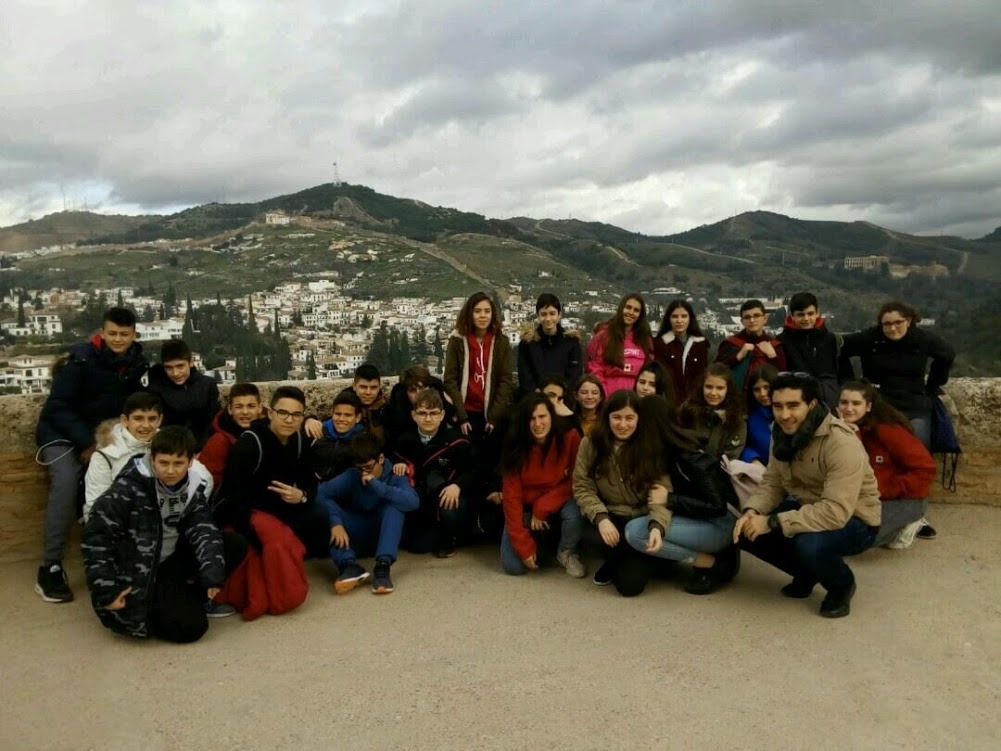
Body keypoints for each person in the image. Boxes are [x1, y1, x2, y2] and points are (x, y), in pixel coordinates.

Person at [733, 373, 881, 618]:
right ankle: (808, 572)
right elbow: (773, 482)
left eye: (793, 406)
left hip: (855, 521)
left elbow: (835, 512)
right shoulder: (780, 431)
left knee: (809, 544)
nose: (784, 414)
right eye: (778, 406)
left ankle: (841, 585)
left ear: (811, 404)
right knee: (745, 532)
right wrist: (753, 511)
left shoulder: (841, 443)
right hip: (807, 508)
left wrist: (772, 521)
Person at [82, 427, 247, 642]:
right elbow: (97, 540)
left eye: (178, 463)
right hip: (139, 571)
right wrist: (106, 591)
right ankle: (167, 603)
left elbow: (204, 529)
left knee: (233, 543)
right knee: (190, 629)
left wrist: (212, 575)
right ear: (152, 459)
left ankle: (190, 597)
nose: (170, 470)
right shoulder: (126, 489)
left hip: (170, 561)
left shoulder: (193, 487)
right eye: (163, 463)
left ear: (190, 462)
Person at [34, 306, 148, 603]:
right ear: (102, 332)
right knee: (67, 481)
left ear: (134, 335)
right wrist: (88, 443)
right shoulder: (79, 360)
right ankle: (50, 567)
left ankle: (113, 557)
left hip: (101, 435)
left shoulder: (137, 362)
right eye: (113, 333)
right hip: (60, 433)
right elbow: (57, 407)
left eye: (124, 334)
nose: (118, 339)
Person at [839, 300, 954, 539]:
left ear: (909, 320)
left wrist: (934, 384)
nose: (892, 328)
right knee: (872, 453)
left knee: (918, 454)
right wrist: (851, 383)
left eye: (898, 322)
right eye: (887, 324)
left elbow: (947, 354)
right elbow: (839, 347)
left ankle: (916, 512)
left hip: (914, 403)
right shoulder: (871, 338)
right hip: (880, 404)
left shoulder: (922, 339)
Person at [623, 397, 740, 594]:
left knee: (634, 532)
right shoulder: (663, 451)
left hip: (720, 525)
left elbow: (717, 506)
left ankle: (712, 563)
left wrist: (669, 499)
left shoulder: (689, 455)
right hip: (694, 518)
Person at [572, 389, 672, 597]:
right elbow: (582, 486)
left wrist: (657, 526)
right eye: (617, 417)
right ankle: (621, 558)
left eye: (629, 418)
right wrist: (601, 518)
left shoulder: (651, 445)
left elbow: (661, 491)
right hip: (611, 515)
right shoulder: (590, 444)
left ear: (638, 419)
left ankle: (639, 560)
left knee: (630, 585)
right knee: (627, 582)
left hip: (643, 516)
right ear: (607, 417)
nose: (623, 424)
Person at [218, 386, 327, 558]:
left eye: (296, 415)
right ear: (270, 413)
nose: (289, 420)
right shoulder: (250, 444)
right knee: (279, 545)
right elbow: (233, 496)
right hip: (254, 513)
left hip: (286, 508)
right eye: (282, 413)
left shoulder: (298, 440)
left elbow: (310, 482)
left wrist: (302, 496)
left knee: (322, 516)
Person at [838, 381, 936, 550]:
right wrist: (849, 437)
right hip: (863, 498)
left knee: (860, 540)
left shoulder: (888, 430)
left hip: (901, 498)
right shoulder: (839, 430)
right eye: (844, 402)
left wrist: (888, 489)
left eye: (856, 403)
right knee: (834, 537)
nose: (849, 408)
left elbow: (925, 468)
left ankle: (910, 523)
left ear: (869, 406)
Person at [318, 433, 420, 594]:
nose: (363, 472)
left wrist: (375, 484)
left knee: (394, 507)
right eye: (359, 468)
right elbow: (321, 493)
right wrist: (335, 523)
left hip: (385, 535)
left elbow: (413, 502)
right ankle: (349, 566)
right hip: (358, 533)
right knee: (329, 513)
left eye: (368, 467)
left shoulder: (396, 475)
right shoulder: (353, 475)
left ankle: (382, 567)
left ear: (380, 459)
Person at [499, 394, 585, 578]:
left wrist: (543, 506)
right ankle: (536, 541)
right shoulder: (514, 444)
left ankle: (566, 552)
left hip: (559, 499)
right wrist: (524, 547)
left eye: (542, 416)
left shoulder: (570, 437)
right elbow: (511, 497)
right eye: (531, 418)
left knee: (575, 510)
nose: (538, 423)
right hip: (526, 506)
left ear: (551, 416)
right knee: (513, 567)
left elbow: (576, 480)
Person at [391, 388, 474, 558]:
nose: (428, 418)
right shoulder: (404, 440)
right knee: (417, 546)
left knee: (449, 508)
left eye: (433, 413)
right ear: (414, 415)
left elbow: (475, 469)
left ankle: (451, 539)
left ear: (442, 415)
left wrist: (458, 486)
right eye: (422, 413)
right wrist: (399, 464)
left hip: (448, 496)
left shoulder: (457, 440)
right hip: (423, 501)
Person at [443, 291, 515, 439]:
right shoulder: (457, 341)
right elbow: (450, 379)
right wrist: (461, 416)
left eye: (487, 311)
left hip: (491, 413)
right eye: (477, 311)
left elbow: (505, 380)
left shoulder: (501, 342)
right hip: (465, 413)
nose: (483, 315)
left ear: (493, 314)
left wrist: (494, 417)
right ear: (469, 314)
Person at [82, 392, 163, 522]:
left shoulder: (169, 445)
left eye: (152, 419)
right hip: (121, 525)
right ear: (125, 420)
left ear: (160, 420)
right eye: (138, 418)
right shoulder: (105, 455)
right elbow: (96, 506)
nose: (146, 425)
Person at [145, 339, 221, 448]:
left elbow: (214, 422)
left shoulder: (208, 385)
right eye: (169, 368)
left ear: (190, 363)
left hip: (204, 448)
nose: (175, 373)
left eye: (180, 366)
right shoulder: (155, 390)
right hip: (170, 448)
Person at [777, 292, 841, 410]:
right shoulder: (782, 341)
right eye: (801, 315)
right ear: (792, 316)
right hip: (798, 402)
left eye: (810, 313)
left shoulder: (830, 339)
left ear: (817, 313)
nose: (806, 318)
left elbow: (842, 372)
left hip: (831, 402)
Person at [584, 293, 652, 395]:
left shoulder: (645, 340)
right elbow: (595, 367)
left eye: (636, 310)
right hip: (609, 395)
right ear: (621, 308)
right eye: (628, 307)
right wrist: (604, 394)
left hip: (637, 398)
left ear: (640, 315)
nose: (631, 312)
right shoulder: (604, 336)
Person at [517, 293, 583, 396]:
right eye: (543, 314)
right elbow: (525, 375)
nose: (548, 319)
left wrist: (558, 394)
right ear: (538, 316)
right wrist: (539, 395)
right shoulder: (528, 344)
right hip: (535, 400)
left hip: (563, 398)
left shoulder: (571, 343)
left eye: (552, 313)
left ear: (559, 315)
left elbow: (574, 374)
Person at [199, 382, 263, 487]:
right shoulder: (219, 441)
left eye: (251, 406)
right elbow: (209, 480)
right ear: (230, 409)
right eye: (238, 407)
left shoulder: (270, 431)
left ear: (260, 408)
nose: (245, 412)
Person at [678, 363, 747, 460]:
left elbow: (731, 456)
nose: (713, 393)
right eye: (709, 387)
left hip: (721, 468)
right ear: (702, 386)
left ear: (728, 389)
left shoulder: (736, 420)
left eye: (720, 388)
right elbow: (681, 444)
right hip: (688, 465)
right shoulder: (688, 411)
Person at [715, 299, 786, 391]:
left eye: (756, 316)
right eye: (747, 317)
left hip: (767, 395)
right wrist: (737, 357)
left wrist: (773, 357)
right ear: (742, 321)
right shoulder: (730, 344)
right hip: (738, 395)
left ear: (765, 319)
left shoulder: (775, 346)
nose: (752, 320)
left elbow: (784, 375)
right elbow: (716, 371)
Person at [382, 364, 455, 452]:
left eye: (422, 388)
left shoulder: (441, 400)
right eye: (412, 390)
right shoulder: (397, 411)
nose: (418, 394)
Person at [652, 299, 709, 399]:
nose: (679, 320)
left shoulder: (700, 344)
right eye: (675, 316)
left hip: (694, 401)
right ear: (669, 319)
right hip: (668, 400)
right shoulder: (660, 344)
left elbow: (703, 375)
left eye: (684, 316)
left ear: (690, 318)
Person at [309, 391, 367, 482]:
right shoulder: (317, 431)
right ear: (332, 413)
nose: (341, 419)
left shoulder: (364, 441)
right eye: (338, 414)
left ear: (358, 418)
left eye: (348, 415)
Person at [739, 364, 779, 465]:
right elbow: (742, 445)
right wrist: (752, 459)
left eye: (767, 387)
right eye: (757, 389)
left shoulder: (793, 413)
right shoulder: (749, 416)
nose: (762, 393)